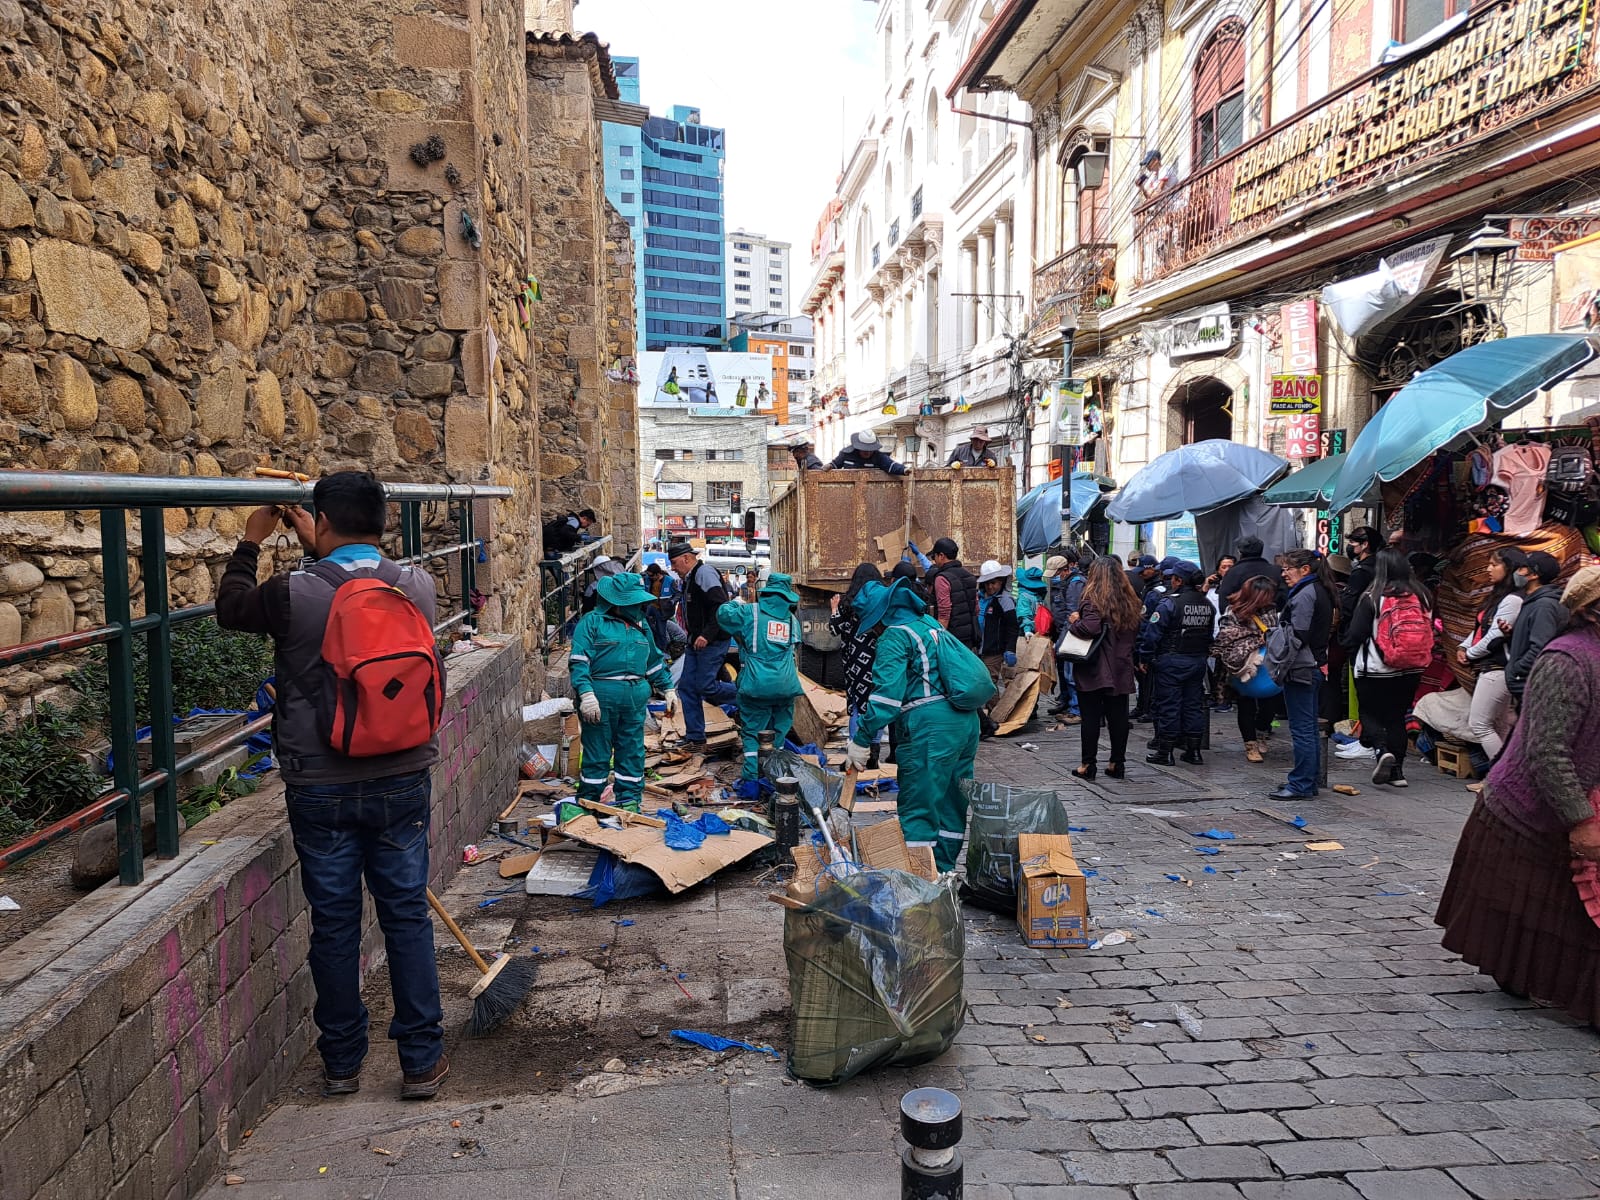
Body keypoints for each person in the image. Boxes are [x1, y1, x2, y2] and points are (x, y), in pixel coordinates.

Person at [215, 472, 449, 1101]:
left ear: (321, 521)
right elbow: (358, 588)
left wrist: (251, 539)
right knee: (406, 917)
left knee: (335, 923)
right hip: (403, 774)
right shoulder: (419, 587)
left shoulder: (294, 592)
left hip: (319, 783)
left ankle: (343, 1064)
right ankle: (422, 1063)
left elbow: (230, 608)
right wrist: (314, 541)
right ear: (382, 520)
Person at [1435, 564, 1600, 1029]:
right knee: (1529, 912)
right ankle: (1527, 977)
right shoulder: (1566, 660)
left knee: (1561, 911)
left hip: (1579, 797)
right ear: (1592, 612)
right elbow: (1547, 751)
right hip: (1526, 806)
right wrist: (1580, 818)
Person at [844, 578, 983, 870]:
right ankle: (944, 875)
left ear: (881, 616)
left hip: (930, 728)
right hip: (965, 723)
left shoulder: (895, 636)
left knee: (919, 805)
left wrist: (861, 739)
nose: (873, 633)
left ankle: (918, 884)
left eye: (872, 625)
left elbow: (886, 700)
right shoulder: (929, 624)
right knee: (951, 804)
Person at [571, 573, 677, 809]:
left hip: (634, 700)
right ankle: (590, 802)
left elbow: (654, 662)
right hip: (600, 698)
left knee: (632, 752)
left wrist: (668, 688)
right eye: (634, 602)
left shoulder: (641, 626)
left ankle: (629, 801)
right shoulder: (592, 622)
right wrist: (586, 694)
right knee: (597, 754)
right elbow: (579, 661)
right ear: (617, 602)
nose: (640, 606)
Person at [1340, 547, 1433, 788]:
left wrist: (1346, 647)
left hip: (1376, 668)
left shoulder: (1373, 596)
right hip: (1411, 668)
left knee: (1369, 714)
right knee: (1396, 717)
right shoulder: (1422, 596)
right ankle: (1398, 773)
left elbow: (1356, 634)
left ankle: (1382, 752)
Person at [717, 573, 803, 780]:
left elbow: (722, 614)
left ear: (765, 593)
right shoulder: (792, 621)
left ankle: (752, 785)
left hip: (755, 685)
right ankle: (776, 783)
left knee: (753, 735)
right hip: (785, 686)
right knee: (779, 734)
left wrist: (737, 603)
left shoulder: (750, 613)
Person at [1268, 549, 1334, 800]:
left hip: (1303, 667)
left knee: (1302, 728)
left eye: (1288, 569)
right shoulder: (1318, 589)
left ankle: (1301, 783)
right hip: (1313, 664)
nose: (1283, 574)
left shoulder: (1307, 593)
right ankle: (1307, 780)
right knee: (1306, 726)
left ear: (1304, 570)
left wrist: (1279, 653)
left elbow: (1299, 634)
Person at [1067, 557, 1141, 781]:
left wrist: (1075, 621)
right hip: (1120, 665)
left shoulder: (1092, 600)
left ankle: (1088, 765)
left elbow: (1090, 627)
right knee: (1118, 717)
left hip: (1095, 665)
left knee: (1090, 717)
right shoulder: (1130, 601)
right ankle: (1117, 763)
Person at [1140, 562, 1214, 765]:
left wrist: (1145, 657)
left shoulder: (1170, 603)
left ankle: (1165, 752)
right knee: (1193, 705)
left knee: (1168, 706)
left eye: (1173, 577)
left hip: (1171, 661)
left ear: (1179, 580)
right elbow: (1209, 635)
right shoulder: (1207, 604)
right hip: (1197, 661)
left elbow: (1152, 634)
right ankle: (1194, 751)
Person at [1456, 547, 1527, 761]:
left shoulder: (1513, 600)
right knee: (1500, 725)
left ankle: (1500, 775)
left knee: (1479, 724)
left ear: (1510, 568)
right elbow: (1480, 629)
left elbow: (1494, 638)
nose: (1488, 569)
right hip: (1492, 668)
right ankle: (1507, 775)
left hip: (1498, 668)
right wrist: (1462, 647)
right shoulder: (1498, 597)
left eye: (1494, 565)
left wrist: (1469, 655)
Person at [667, 540, 737, 750]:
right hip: (696, 642)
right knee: (687, 688)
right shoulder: (689, 578)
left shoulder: (703, 573)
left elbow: (720, 606)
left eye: (674, 563)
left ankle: (747, 697)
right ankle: (695, 736)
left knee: (705, 685)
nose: (673, 568)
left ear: (687, 559)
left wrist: (707, 635)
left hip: (712, 641)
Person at [1214, 576, 1282, 763]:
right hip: (1242, 665)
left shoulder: (1270, 610)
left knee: (1269, 703)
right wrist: (1254, 638)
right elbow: (1225, 638)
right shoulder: (1233, 611)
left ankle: (1261, 733)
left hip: (1267, 664)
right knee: (1246, 703)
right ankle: (1250, 744)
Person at [830, 563, 887, 763]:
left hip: (854, 662)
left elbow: (835, 629)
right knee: (877, 703)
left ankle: (857, 748)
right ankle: (875, 748)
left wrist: (834, 609)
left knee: (857, 705)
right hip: (879, 658)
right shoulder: (881, 601)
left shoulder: (848, 602)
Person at [1506, 550, 1568, 704]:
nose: (1517, 572)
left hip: (1529, 685)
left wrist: (1517, 670)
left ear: (1534, 575)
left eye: (1522, 568)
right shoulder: (1534, 601)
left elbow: (1540, 646)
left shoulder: (1544, 605)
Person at [1047, 551, 1088, 720]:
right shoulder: (1068, 583)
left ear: (1064, 570)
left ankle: (1077, 710)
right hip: (1067, 632)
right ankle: (1072, 705)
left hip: (1073, 635)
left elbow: (1072, 614)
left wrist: (1062, 641)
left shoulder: (1075, 584)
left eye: (1057, 574)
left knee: (1072, 676)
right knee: (1068, 674)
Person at [923, 537, 981, 649]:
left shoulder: (942, 578)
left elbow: (944, 613)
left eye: (934, 557)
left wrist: (939, 640)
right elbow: (976, 608)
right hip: (970, 635)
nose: (934, 560)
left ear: (941, 556)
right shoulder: (969, 575)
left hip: (952, 638)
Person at [976, 560, 1021, 682]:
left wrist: (1010, 649)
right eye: (987, 583)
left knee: (988, 682)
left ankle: (995, 702)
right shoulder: (979, 598)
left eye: (993, 583)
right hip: (979, 648)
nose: (990, 587)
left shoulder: (1005, 600)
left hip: (994, 650)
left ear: (1001, 581)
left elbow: (1012, 627)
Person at [1215, 536, 1284, 610]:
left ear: (1240, 552)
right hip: (1272, 618)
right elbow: (1283, 597)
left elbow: (1224, 604)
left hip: (1241, 618)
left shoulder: (1232, 573)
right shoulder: (1276, 571)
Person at [1336, 527, 1381, 631]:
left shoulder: (1361, 572)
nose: (1350, 545)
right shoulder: (1378, 565)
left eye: (1352, 542)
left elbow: (1348, 605)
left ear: (1365, 545)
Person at [828, 429, 910, 475]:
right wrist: (829, 466)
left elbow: (891, 465)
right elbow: (835, 464)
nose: (867, 452)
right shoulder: (846, 454)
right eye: (864, 449)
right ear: (858, 447)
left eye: (870, 450)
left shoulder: (878, 456)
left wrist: (904, 470)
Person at [1016, 565, 1049, 636]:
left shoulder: (1024, 596)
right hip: (1038, 631)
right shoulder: (1039, 596)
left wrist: (1027, 630)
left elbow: (1024, 614)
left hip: (1028, 632)